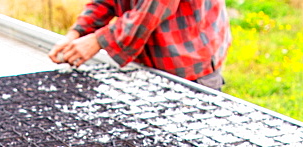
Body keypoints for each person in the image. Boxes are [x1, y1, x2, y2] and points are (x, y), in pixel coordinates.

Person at [48, 0, 231, 91]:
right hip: (148, 60)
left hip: (188, 62)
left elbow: (151, 10)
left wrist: (98, 40)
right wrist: (77, 32)